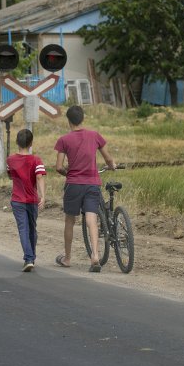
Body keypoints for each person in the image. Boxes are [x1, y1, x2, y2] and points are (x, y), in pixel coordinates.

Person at [54, 105, 115, 272]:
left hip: (73, 184)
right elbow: (108, 158)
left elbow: (58, 167)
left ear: (69, 121)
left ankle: (67, 258)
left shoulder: (63, 140)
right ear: (82, 119)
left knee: (69, 220)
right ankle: (95, 255)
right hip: (92, 184)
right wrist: (112, 165)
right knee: (91, 219)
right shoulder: (94, 136)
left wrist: (68, 172)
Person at [6, 129, 46, 272]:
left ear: (17, 142)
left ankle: (29, 259)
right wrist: (42, 195)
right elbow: (40, 177)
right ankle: (31, 257)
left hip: (17, 199)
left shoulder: (10, 160)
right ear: (31, 143)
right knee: (32, 229)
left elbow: (10, 175)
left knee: (23, 228)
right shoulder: (36, 160)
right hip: (32, 200)